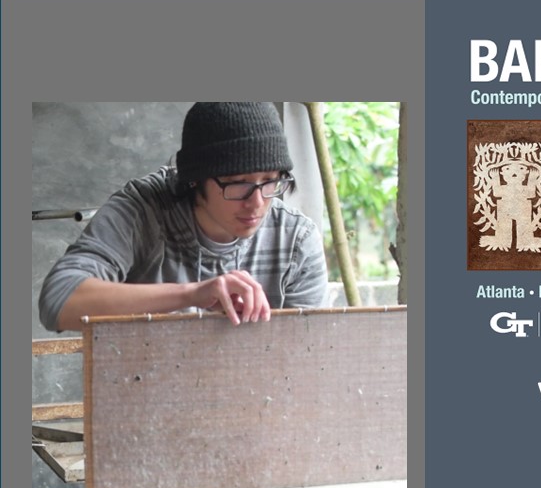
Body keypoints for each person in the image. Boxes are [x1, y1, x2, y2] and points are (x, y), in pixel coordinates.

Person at [39, 102, 328, 332]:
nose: (257, 202)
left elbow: (305, 354)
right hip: (143, 393)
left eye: (270, 181)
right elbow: (59, 301)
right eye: (238, 183)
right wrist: (192, 294)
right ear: (195, 179)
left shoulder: (295, 239)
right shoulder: (144, 211)